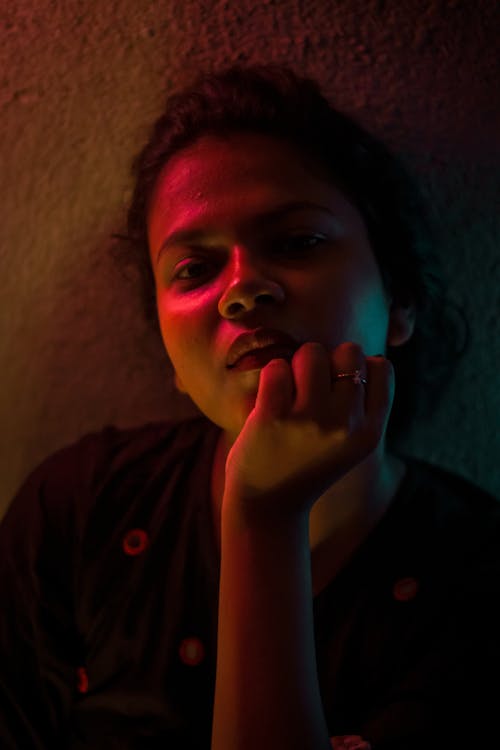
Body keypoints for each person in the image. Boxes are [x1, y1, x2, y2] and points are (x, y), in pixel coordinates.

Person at [1, 63, 498, 750]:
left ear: (402, 303)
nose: (242, 290)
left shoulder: (479, 578)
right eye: (194, 269)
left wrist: (267, 515)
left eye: (297, 242)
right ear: (170, 357)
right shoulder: (78, 510)